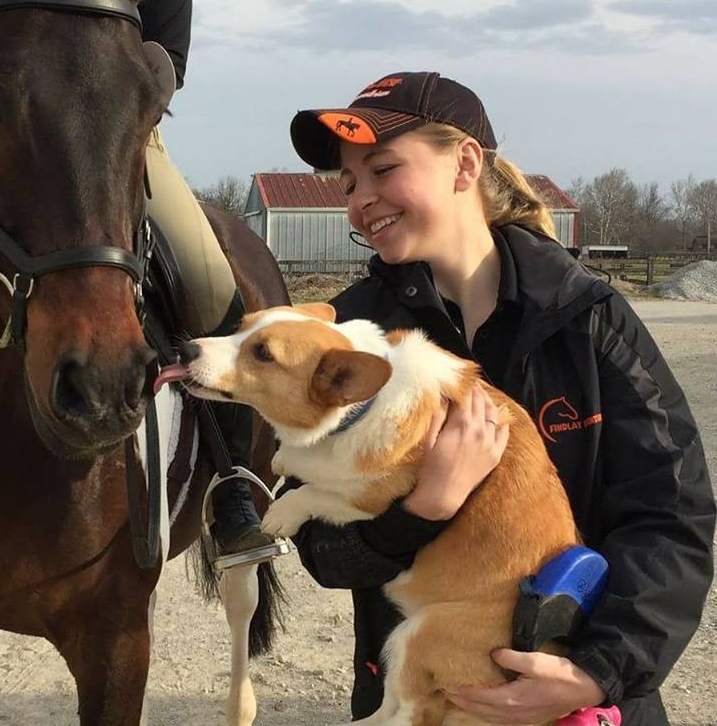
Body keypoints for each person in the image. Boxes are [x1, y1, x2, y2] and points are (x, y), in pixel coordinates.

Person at [285, 71, 715, 725]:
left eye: (383, 169)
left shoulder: (587, 315)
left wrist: (597, 671)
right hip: (425, 698)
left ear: (464, 164)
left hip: (582, 697)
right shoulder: (351, 341)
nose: (360, 200)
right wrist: (425, 508)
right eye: (348, 183)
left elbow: (671, 514)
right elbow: (323, 552)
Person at [33, 0, 274, 559]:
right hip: (18, 142)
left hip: (124, 143)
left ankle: (232, 479)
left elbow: (169, 59)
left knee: (209, 282)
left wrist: (117, 96)